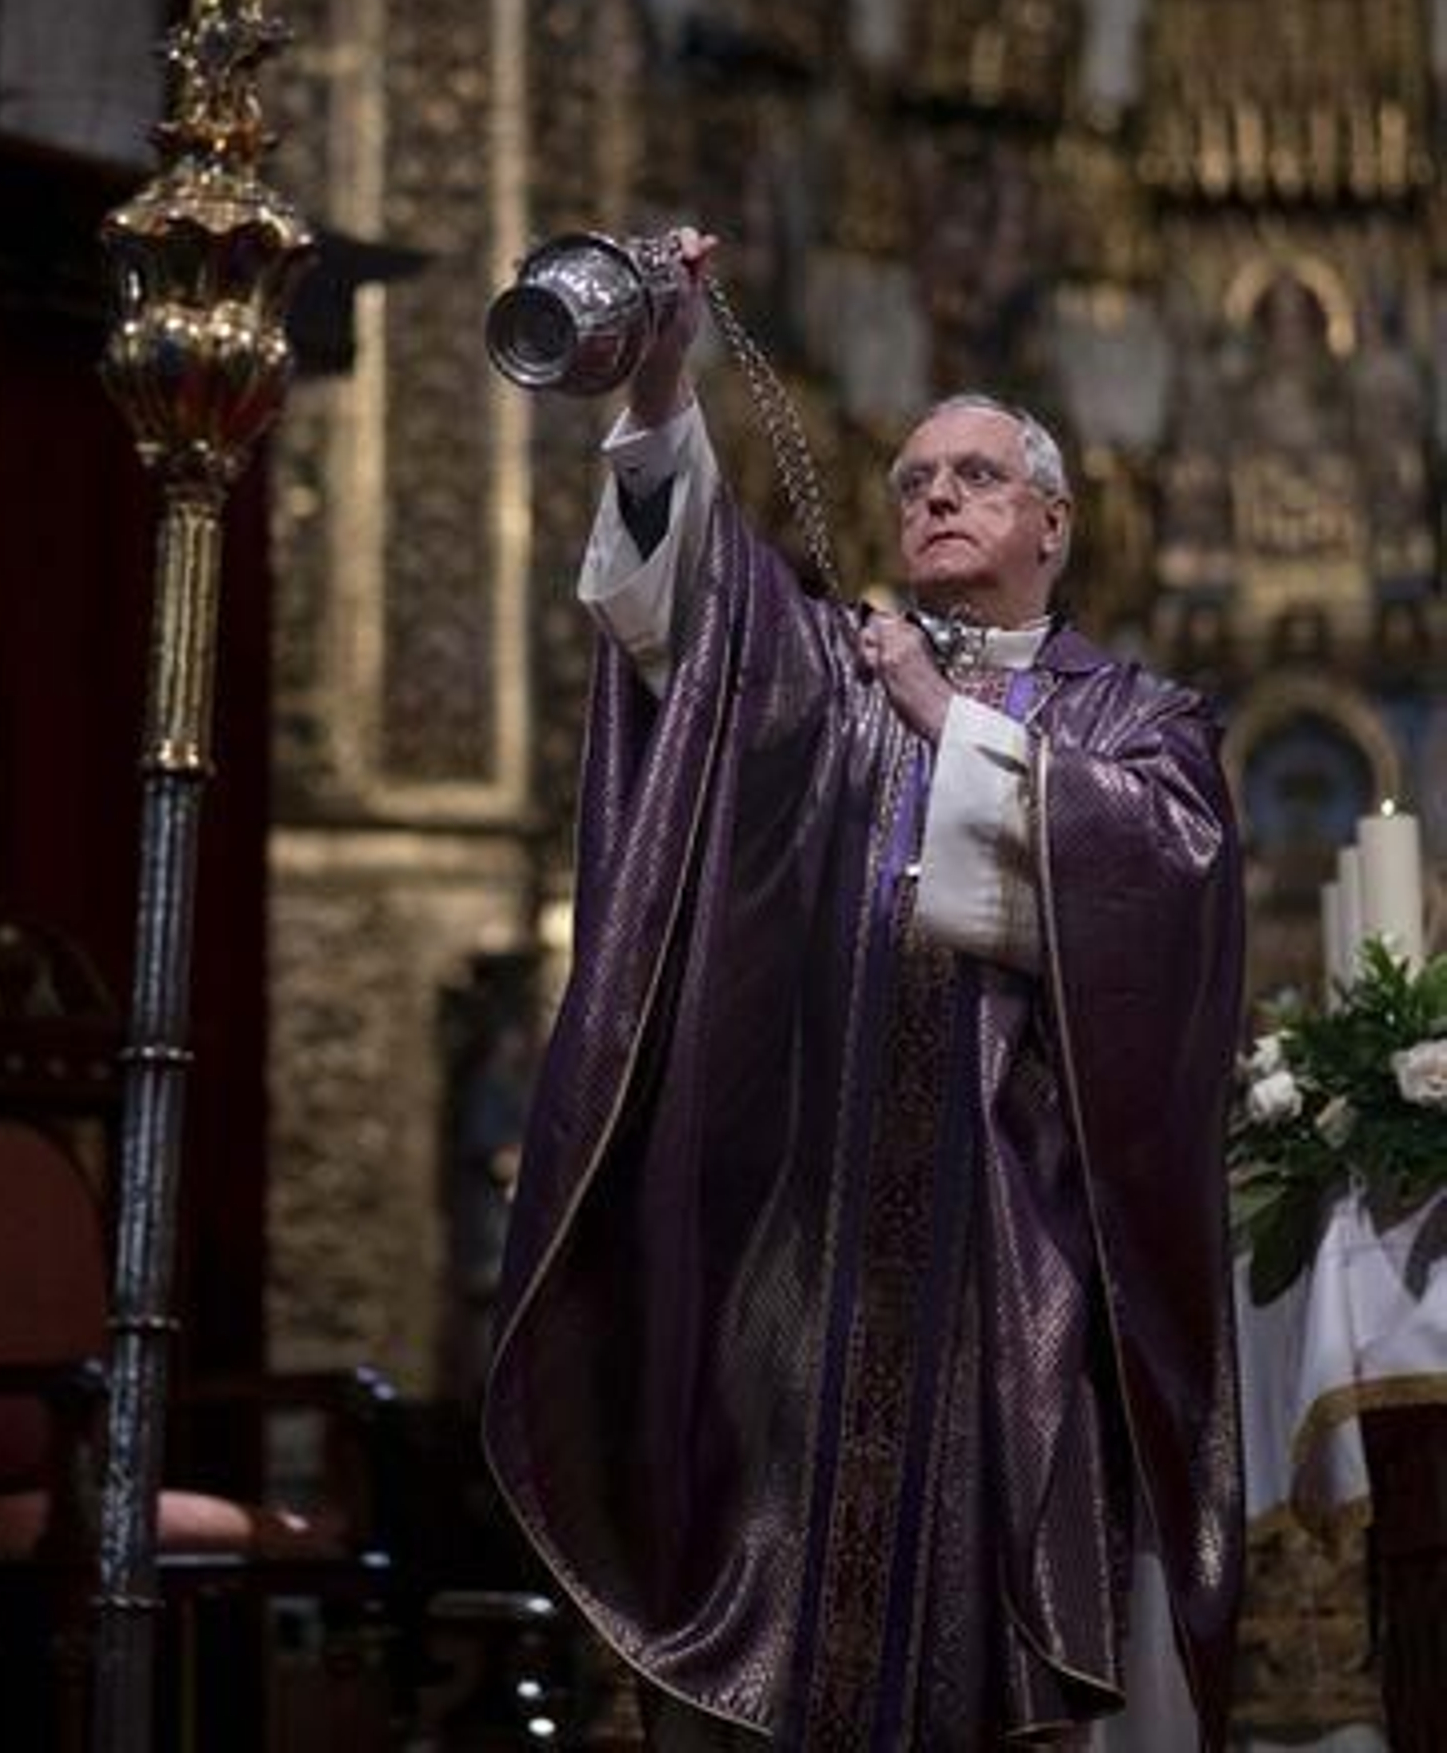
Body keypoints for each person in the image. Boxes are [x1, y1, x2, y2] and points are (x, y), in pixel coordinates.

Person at [484, 231, 1244, 1749]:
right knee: (786, 1597)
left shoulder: (1137, 715)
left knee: (985, 1628)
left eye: (971, 477)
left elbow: (1167, 889)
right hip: (812, 1243)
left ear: (1053, 520)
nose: (934, 499)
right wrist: (663, 373)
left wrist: (943, 721)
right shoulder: (828, 674)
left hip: (1010, 1251)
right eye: (910, 483)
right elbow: (686, 619)